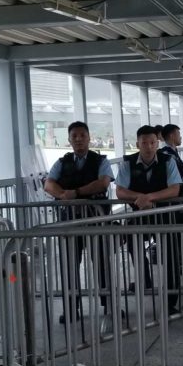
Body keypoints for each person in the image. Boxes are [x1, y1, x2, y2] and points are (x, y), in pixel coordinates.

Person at [44, 121, 115, 323]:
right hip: (69, 222)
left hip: (96, 220)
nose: (78, 139)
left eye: (82, 135)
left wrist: (75, 193)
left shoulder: (101, 160)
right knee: (69, 265)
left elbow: (103, 182)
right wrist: (64, 195)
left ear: (89, 137)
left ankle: (109, 305)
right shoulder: (61, 162)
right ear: (69, 139)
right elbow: (49, 184)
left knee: (102, 263)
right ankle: (70, 308)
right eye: (74, 136)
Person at [116, 126, 183, 316]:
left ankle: (171, 300)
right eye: (144, 143)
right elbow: (120, 190)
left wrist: (150, 198)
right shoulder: (127, 163)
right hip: (138, 215)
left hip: (165, 215)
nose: (148, 147)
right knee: (133, 244)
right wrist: (141, 198)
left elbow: (174, 189)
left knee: (171, 255)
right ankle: (144, 278)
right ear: (137, 144)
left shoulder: (167, 161)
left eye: (152, 142)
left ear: (158, 143)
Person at [159, 124, 183, 197]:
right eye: (178, 134)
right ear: (172, 136)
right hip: (171, 196)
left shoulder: (172, 152)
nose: (180, 137)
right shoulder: (166, 155)